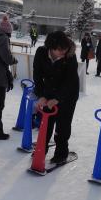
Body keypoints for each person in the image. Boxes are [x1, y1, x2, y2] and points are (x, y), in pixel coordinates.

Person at [33, 31, 79, 164]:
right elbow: (37, 75)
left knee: (62, 125)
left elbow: (70, 81)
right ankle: (42, 149)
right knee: (45, 124)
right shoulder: (41, 53)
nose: (63, 52)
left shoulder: (70, 56)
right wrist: (41, 94)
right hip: (49, 92)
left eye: (65, 48)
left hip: (68, 95)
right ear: (51, 47)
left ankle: (61, 152)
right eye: (59, 49)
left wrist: (58, 98)